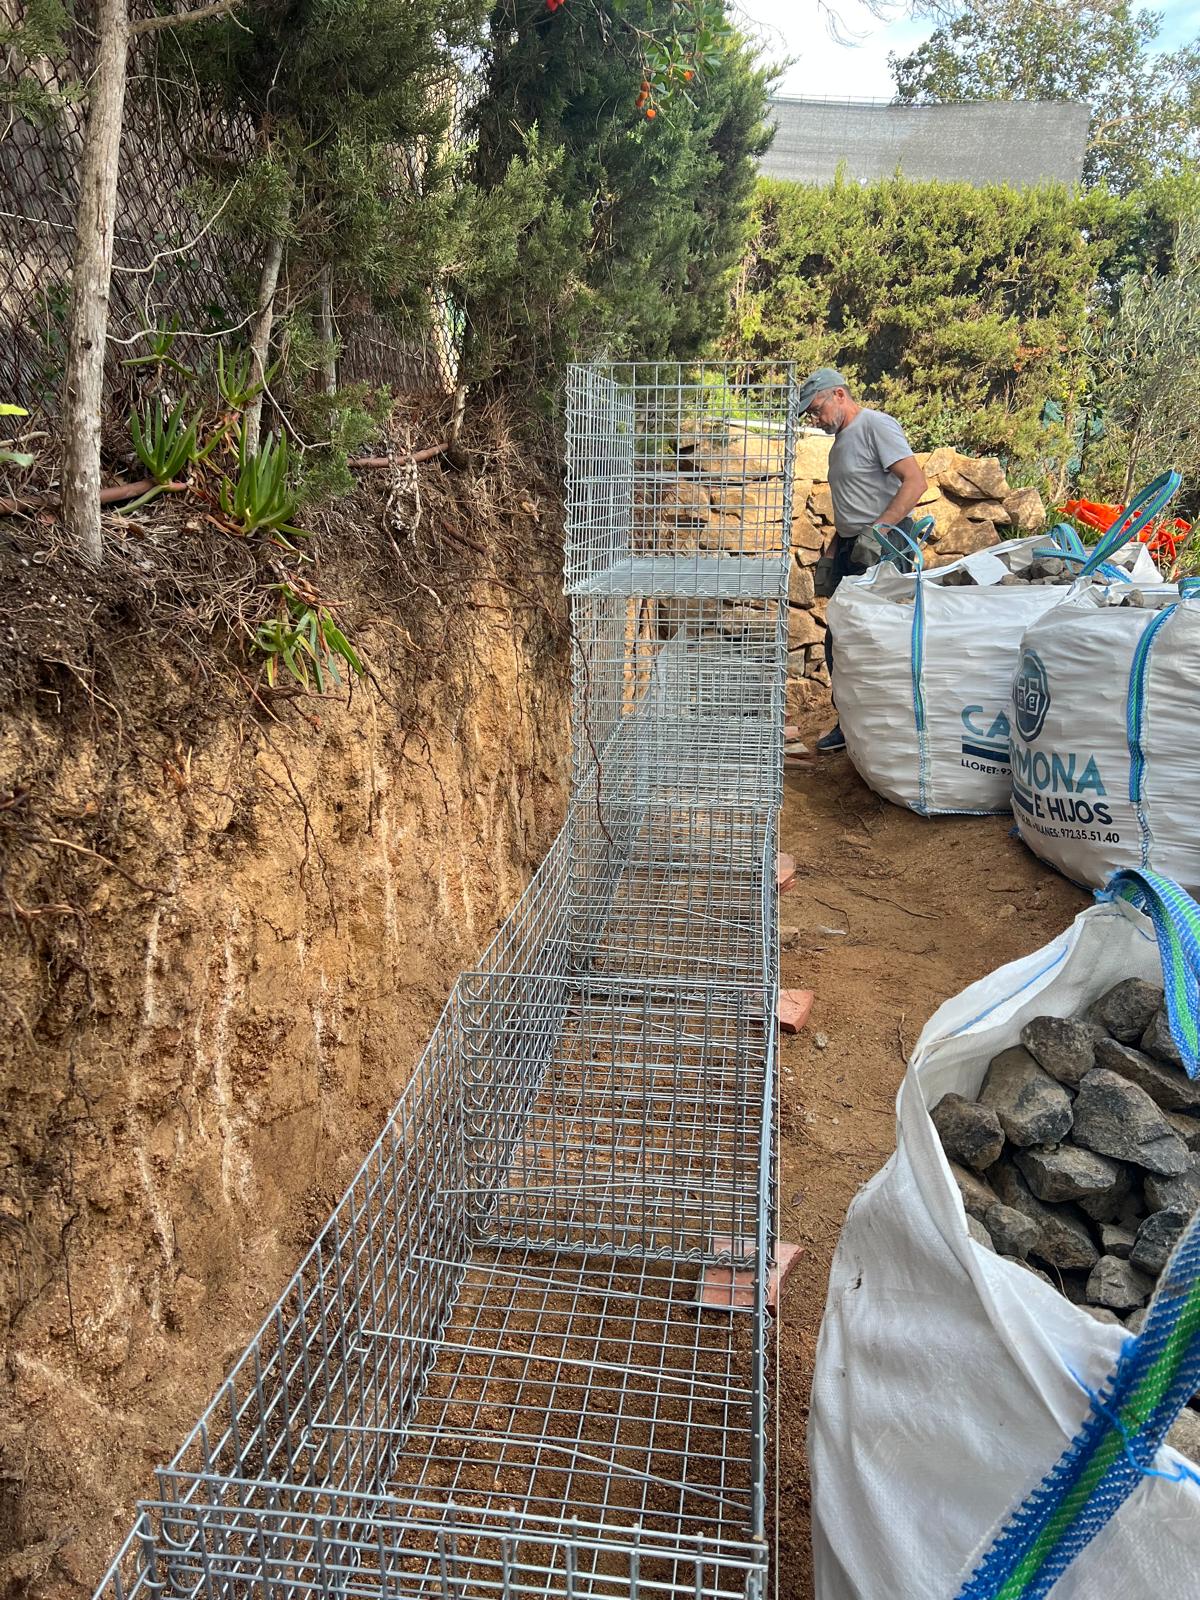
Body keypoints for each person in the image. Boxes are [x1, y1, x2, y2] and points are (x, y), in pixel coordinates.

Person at [796, 368, 928, 754]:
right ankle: (850, 723)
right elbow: (854, 504)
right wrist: (835, 548)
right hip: (854, 547)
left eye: (817, 409)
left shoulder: (876, 426)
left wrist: (881, 531)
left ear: (839, 394)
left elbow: (915, 482)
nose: (815, 420)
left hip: (882, 549)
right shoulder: (840, 444)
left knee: (880, 640)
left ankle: (890, 731)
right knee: (841, 638)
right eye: (810, 415)